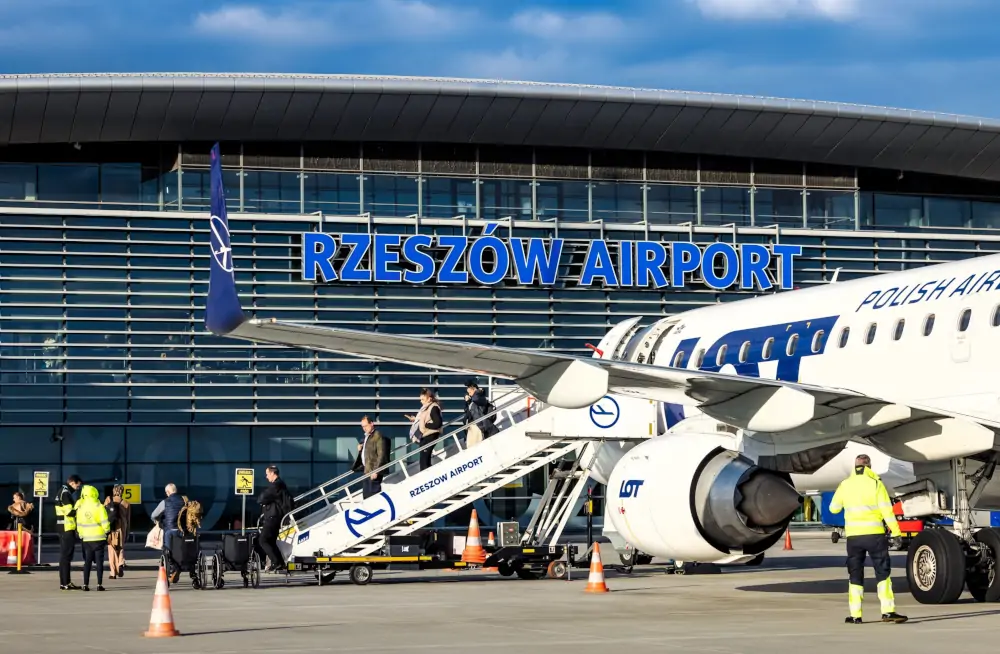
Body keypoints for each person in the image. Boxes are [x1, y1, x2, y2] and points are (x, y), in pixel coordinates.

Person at [829, 453, 908, 624]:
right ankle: (887, 611)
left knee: (855, 575)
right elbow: (887, 511)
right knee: (882, 573)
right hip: (875, 536)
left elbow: (833, 508)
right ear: (869, 466)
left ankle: (855, 615)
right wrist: (896, 533)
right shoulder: (876, 484)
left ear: (855, 466)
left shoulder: (845, 485)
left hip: (853, 538)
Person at [74, 485, 110, 591]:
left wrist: (81, 534)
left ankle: (85, 584)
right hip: (99, 538)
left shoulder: (81, 507)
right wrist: (106, 531)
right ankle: (99, 584)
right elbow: (105, 522)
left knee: (87, 562)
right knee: (99, 562)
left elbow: (79, 523)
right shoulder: (99, 506)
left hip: (86, 539)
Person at [256, 466, 290, 572]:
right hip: (274, 517)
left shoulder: (276, 485)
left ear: (272, 473)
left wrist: (263, 501)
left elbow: (262, 497)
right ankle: (280, 563)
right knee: (271, 541)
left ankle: (276, 562)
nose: (266, 477)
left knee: (263, 540)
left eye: (267, 474)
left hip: (273, 517)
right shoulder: (279, 485)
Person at [55, 474, 83, 591]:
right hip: (67, 527)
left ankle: (64, 582)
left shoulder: (62, 491)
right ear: (72, 482)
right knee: (66, 556)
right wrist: (80, 509)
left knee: (64, 556)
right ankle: (65, 583)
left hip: (63, 527)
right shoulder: (65, 493)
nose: (78, 488)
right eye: (77, 485)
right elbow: (69, 512)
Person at [353, 415, 390, 498]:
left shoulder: (377, 436)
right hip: (367, 470)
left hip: (373, 471)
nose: (364, 428)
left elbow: (382, 454)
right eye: (362, 427)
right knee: (366, 497)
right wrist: (361, 448)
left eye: (365, 426)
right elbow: (369, 450)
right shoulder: (367, 436)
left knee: (373, 496)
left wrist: (376, 470)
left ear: (372, 423)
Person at [408, 388, 442, 472]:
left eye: (422, 399)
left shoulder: (433, 407)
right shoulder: (427, 408)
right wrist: (416, 420)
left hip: (430, 435)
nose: (421, 401)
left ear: (429, 398)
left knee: (424, 460)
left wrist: (426, 425)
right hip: (426, 435)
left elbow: (438, 423)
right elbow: (426, 418)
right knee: (424, 460)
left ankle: (427, 478)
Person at [104, 485, 131, 580]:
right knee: (121, 546)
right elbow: (128, 519)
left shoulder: (108, 499)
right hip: (122, 526)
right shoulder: (126, 503)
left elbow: (103, 514)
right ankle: (120, 563)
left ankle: (113, 572)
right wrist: (127, 531)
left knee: (111, 548)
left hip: (111, 526)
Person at [150, 483, 185, 549]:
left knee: (167, 548)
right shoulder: (184, 501)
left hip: (169, 530)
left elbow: (153, 515)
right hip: (182, 530)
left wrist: (157, 521)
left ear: (168, 492)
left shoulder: (165, 502)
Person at [463, 380, 497, 448]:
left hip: (477, 426)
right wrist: (468, 401)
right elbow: (467, 411)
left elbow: (477, 399)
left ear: (474, 390)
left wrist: (477, 391)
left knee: (474, 447)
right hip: (473, 426)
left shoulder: (478, 398)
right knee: (471, 447)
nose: (469, 394)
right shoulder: (473, 401)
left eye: (470, 392)